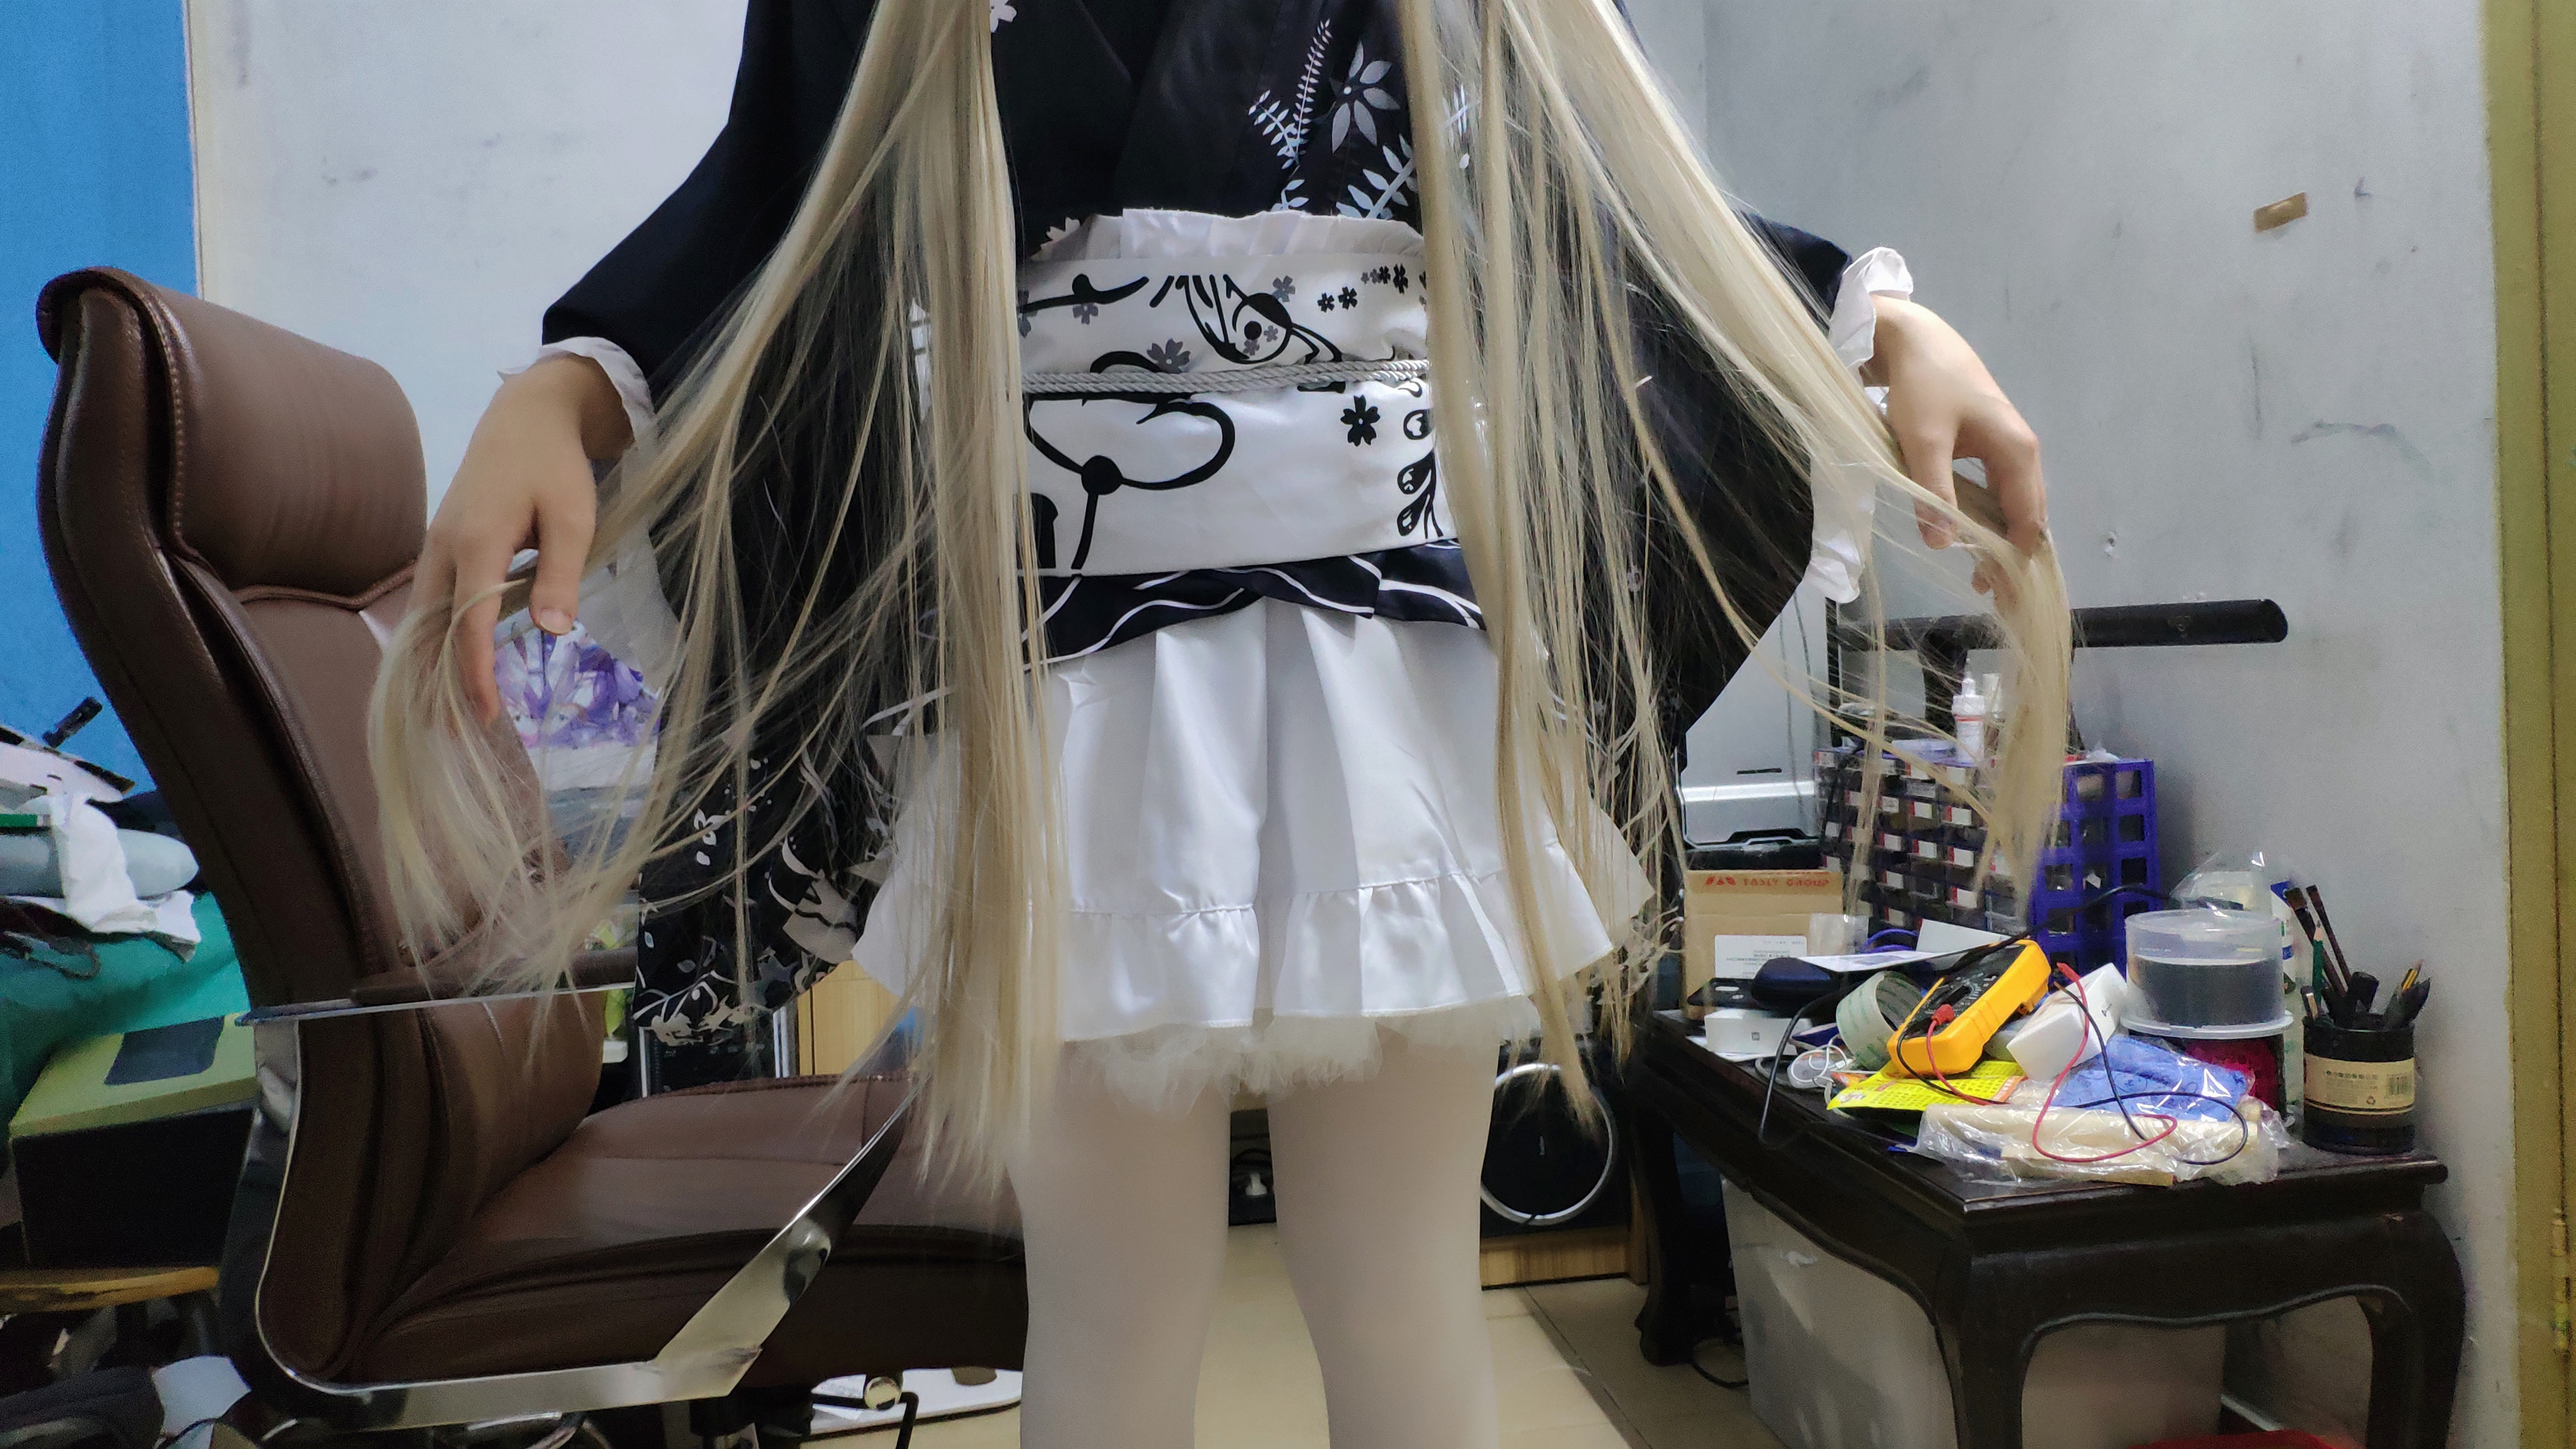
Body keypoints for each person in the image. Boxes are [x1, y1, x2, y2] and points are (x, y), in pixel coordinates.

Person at [370, 3, 2066, 1445]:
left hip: (1392, 671)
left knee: (1396, 1298)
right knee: (1114, 1308)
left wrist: (1873, 327)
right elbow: (774, 192)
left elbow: (1610, 196)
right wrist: (574, 384)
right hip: (1066, 691)